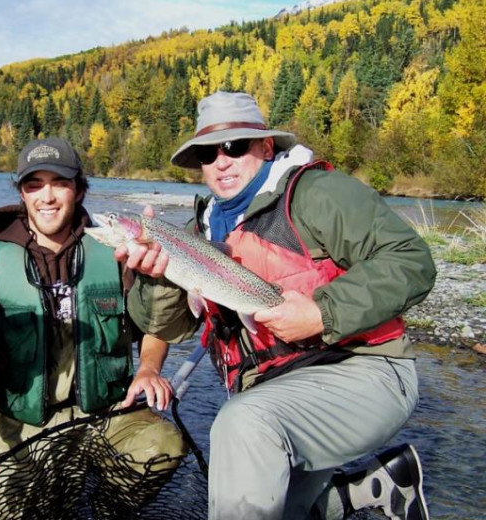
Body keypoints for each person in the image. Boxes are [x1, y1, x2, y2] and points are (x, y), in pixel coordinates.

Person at [115, 91, 436, 520]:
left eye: (234, 146)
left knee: (239, 425)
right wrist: (156, 276)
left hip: (362, 371)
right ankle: (377, 488)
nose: (221, 161)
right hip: (276, 392)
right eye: (208, 154)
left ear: (267, 147)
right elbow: (164, 326)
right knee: (277, 507)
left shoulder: (317, 193)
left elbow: (412, 261)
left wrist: (323, 312)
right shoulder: (196, 231)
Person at [0, 137, 193, 516]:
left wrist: (148, 368)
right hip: (22, 423)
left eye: (59, 183)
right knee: (8, 510)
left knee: (162, 446)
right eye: (34, 185)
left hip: (106, 414)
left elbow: (153, 325)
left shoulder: (117, 253)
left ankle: (105, 508)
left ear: (78, 190)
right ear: (22, 194)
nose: (47, 196)